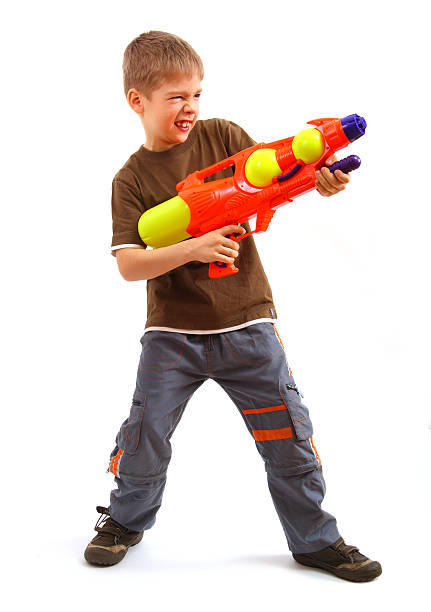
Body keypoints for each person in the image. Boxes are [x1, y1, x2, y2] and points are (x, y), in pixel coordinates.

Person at [84, 31, 381, 582]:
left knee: (289, 438)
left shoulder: (221, 137)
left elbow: (274, 179)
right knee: (144, 436)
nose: (190, 107)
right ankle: (124, 521)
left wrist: (318, 181)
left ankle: (315, 540)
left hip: (248, 323)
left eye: (196, 93)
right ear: (137, 100)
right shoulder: (130, 179)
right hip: (172, 333)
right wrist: (191, 247)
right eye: (175, 96)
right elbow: (128, 263)